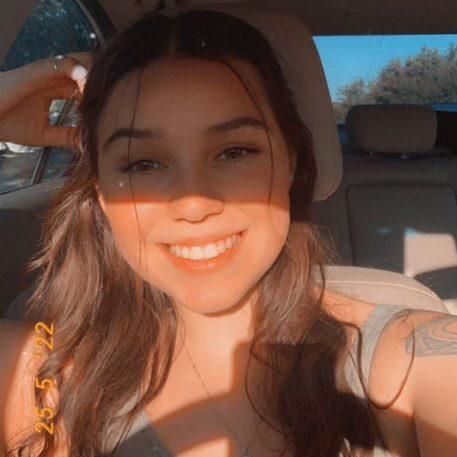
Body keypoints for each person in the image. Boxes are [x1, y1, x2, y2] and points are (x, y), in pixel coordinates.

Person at [0, 8, 456, 457]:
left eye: (234, 152)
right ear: (101, 193)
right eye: (143, 163)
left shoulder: (415, 358)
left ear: (291, 162)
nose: (193, 203)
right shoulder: (41, 374)